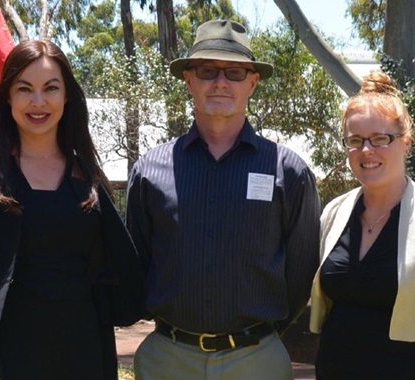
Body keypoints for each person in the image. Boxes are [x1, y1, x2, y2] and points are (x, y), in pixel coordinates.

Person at [126, 19, 321, 379]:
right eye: (207, 70)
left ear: (253, 82)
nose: (220, 82)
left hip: (256, 361)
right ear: (189, 79)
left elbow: (301, 270)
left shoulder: (288, 171)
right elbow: (138, 261)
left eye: (234, 72)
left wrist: (261, 337)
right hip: (168, 361)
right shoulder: (150, 170)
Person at [0, 39, 146, 380]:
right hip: (11, 359)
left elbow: (110, 274)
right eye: (25, 89)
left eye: (50, 88)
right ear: (7, 96)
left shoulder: (89, 177)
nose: (38, 102)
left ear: (66, 96)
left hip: (85, 354)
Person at [310, 71, 415, 379]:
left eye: (380, 138)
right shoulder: (334, 212)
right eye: (355, 140)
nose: (366, 151)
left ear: (406, 142)